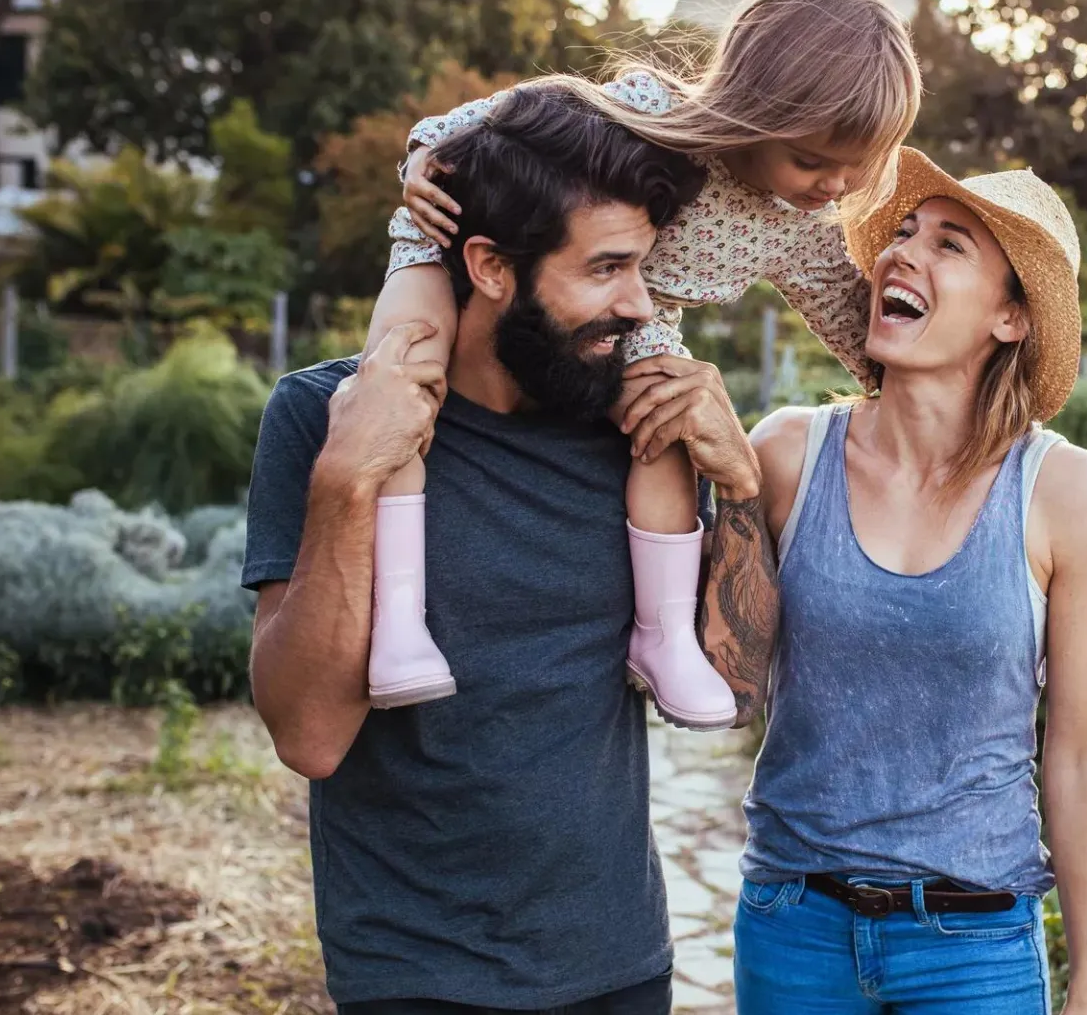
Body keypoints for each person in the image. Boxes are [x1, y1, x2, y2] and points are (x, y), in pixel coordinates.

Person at [238, 81, 781, 1014]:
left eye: (642, 265)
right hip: (415, 976)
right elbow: (311, 736)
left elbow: (739, 684)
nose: (638, 303)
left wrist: (737, 485)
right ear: (490, 266)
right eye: (606, 268)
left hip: (618, 965)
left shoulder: (633, 429)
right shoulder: (321, 416)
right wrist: (343, 484)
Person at [360, 0, 920, 731]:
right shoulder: (648, 112)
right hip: (454, 246)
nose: (836, 184)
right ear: (752, 109)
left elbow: (853, 323)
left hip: (623, 322)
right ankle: (395, 618)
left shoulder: (798, 224)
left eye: (859, 165)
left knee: (666, 421)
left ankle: (659, 638)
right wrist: (426, 163)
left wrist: (931, 390)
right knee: (402, 374)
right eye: (814, 159)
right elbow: (488, 119)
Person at [728, 147, 1087, 1014]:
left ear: (1012, 317)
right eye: (902, 233)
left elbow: (1085, 752)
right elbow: (708, 671)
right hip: (793, 924)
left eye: (951, 245)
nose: (903, 254)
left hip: (975, 947)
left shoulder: (1069, 495)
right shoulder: (788, 456)